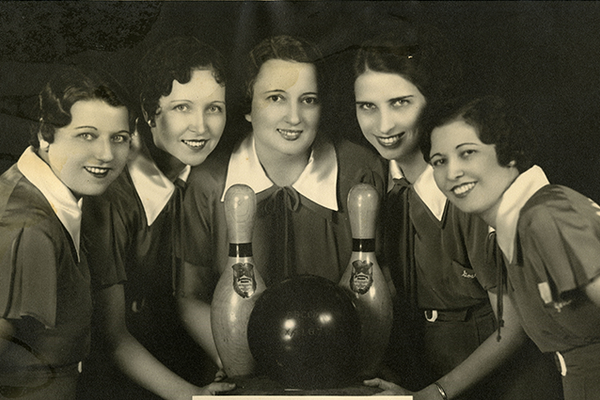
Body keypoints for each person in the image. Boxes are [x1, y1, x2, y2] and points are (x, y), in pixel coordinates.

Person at [352, 28, 563, 399]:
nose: (383, 126)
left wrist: (435, 393)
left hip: (509, 385)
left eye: (400, 103)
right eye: (367, 106)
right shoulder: (378, 186)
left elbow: (514, 326)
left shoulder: (469, 188)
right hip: (432, 376)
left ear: (431, 101)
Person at [178, 35, 386, 373]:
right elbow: (189, 298)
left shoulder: (360, 171)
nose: (294, 117)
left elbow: (382, 285)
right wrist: (236, 358)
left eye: (308, 100)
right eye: (276, 98)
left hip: (340, 368)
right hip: (241, 370)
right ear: (247, 108)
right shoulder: (208, 183)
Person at [77, 36, 235, 399]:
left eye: (214, 108)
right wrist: (193, 396)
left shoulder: (207, 180)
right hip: (120, 385)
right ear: (149, 113)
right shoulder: (113, 198)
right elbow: (113, 337)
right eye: (182, 108)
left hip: (190, 367)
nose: (201, 127)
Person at [423, 95, 600, 400]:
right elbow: (511, 329)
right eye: (439, 161)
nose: (452, 173)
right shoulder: (512, 228)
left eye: (467, 153)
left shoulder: (544, 217)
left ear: (509, 153)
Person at [0, 66, 134, 400]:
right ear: (45, 135)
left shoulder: (82, 200)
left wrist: (195, 395)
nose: (105, 154)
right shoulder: (30, 228)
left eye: (118, 138)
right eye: (86, 135)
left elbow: (116, 338)